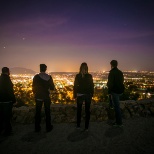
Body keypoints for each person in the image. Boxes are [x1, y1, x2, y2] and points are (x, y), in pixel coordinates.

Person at [32, 64, 55, 132]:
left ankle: (37, 127)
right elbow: (52, 88)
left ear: (40, 69)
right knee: (47, 112)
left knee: (38, 112)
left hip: (38, 96)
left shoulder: (36, 77)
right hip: (46, 97)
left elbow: (33, 87)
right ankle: (48, 127)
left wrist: (35, 93)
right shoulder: (49, 77)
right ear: (46, 69)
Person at [73, 62, 94, 131]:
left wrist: (74, 95)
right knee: (87, 111)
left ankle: (78, 125)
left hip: (80, 95)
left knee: (79, 110)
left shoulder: (78, 76)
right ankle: (86, 127)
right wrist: (92, 94)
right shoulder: (89, 76)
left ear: (80, 68)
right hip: (88, 95)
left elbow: (75, 86)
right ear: (87, 68)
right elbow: (91, 86)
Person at [107, 60, 125, 126]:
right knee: (117, 106)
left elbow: (110, 84)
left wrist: (109, 92)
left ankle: (119, 122)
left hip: (114, 91)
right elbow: (122, 81)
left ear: (111, 65)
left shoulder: (112, 72)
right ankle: (119, 121)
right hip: (120, 91)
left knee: (116, 107)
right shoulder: (120, 72)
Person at [0, 67, 16, 136]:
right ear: (7, 71)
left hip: (0, 101)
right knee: (7, 117)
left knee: (1, 116)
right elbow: (10, 91)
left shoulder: (0, 78)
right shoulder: (7, 79)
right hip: (7, 101)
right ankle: (7, 131)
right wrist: (14, 100)